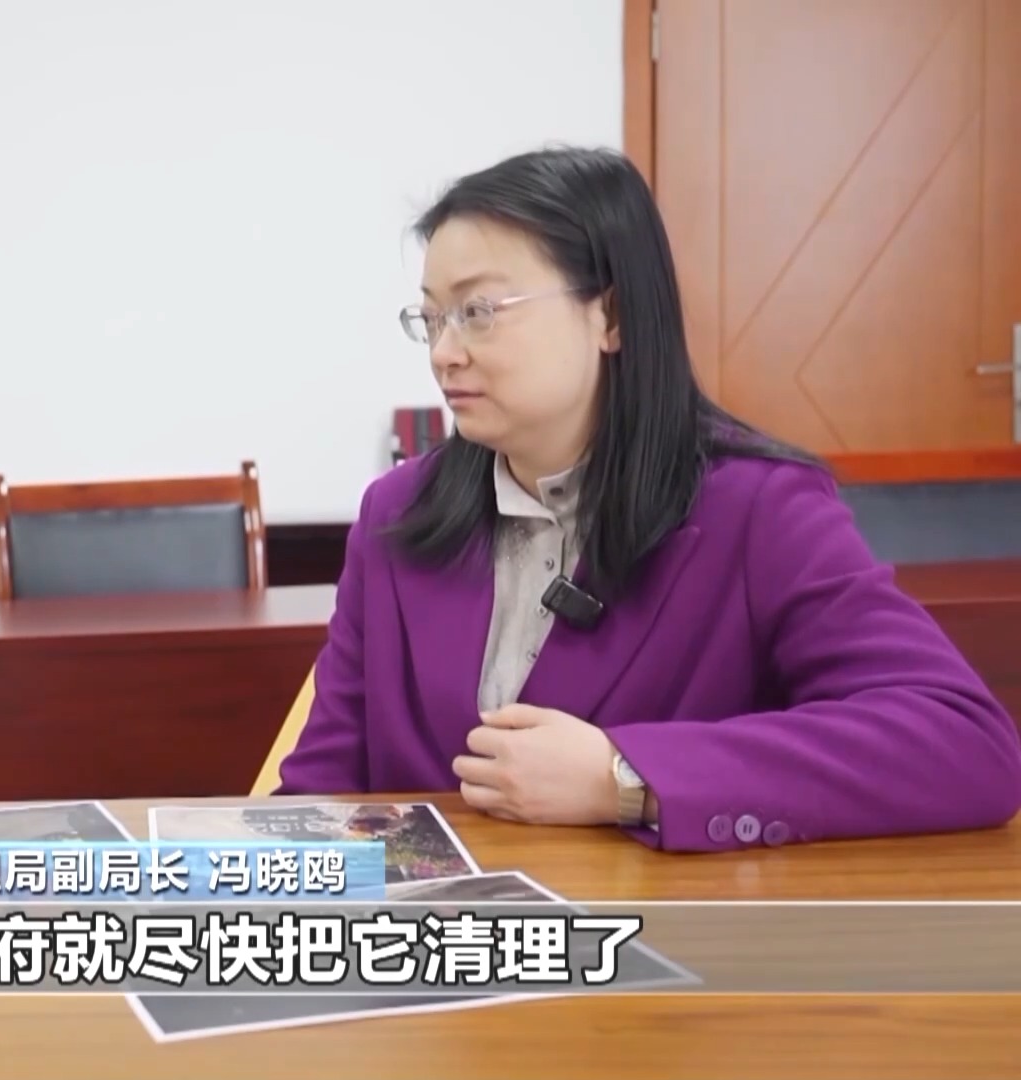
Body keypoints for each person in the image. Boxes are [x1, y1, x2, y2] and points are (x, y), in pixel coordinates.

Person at [276, 146, 1021, 851]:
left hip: (655, 933)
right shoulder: (397, 514)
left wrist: (626, 778)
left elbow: (965, 746)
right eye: (433, 318)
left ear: (611, 315)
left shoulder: (757, 509)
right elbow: (317, 795)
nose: (444, 352)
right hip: (446, 938)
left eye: (479, 312)